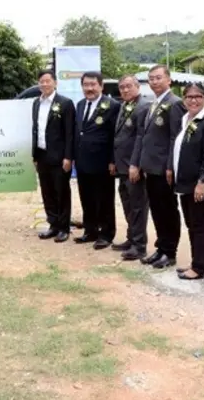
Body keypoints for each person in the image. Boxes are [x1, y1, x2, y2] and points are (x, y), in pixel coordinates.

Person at [171, 83, 204, 280]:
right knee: (191, 224)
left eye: (198, 96)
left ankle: (199, 267)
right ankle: (194, 262)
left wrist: (202, 182)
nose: (193, 100)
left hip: (199, 185)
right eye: (189, 97)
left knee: (199, 225)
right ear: (184, 99)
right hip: (184, 182)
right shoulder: (186, 119)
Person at [139, 65, 185, 269]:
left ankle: (170, 251)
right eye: (151, 78)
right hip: (151, 167)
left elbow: (176, 137)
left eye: (158, 78)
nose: (154, 81)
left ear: (169, 80)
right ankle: (161, 247)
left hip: (164, 168)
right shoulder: (154, 103)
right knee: (157, 209)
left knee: (168, 210)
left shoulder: (174, 103)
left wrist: (170, 166)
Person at [73, 71, 119, 249]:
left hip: (103, 162)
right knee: (87, 198)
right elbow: (79, 132)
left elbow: (115, 135)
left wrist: (113, 160)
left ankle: (106, 234)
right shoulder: (80, 105)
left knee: (104, 199)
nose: (89, 88)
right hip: (83, 161)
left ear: (101, 86)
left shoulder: (112, 105)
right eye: (86, 85)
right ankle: (90, 231)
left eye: (93, 84)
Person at [31, 70, 75, 242]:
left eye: (48, 81)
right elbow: (36, 130)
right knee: (47, 192)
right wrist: (35, 155)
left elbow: (70, 133)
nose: (44, 84)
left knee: (61, 192)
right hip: (42, 154)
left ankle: (64, 227)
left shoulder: (65, 103)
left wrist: (68, 157)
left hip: (59, 156)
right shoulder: (36, 103)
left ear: (55, 83)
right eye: (41, 81)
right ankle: (53, 224)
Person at [111, 75, 151, 261]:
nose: (125, 90)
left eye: (128, 86)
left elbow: (141, 138)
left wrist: (135, 164)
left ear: (137, 86)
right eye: (122, 87)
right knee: (127, 203)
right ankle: (131, 238)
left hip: (133, 167)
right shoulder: (124, 105)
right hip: (122, 166)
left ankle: (139, 245)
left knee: (138, 207)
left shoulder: (142, 107)